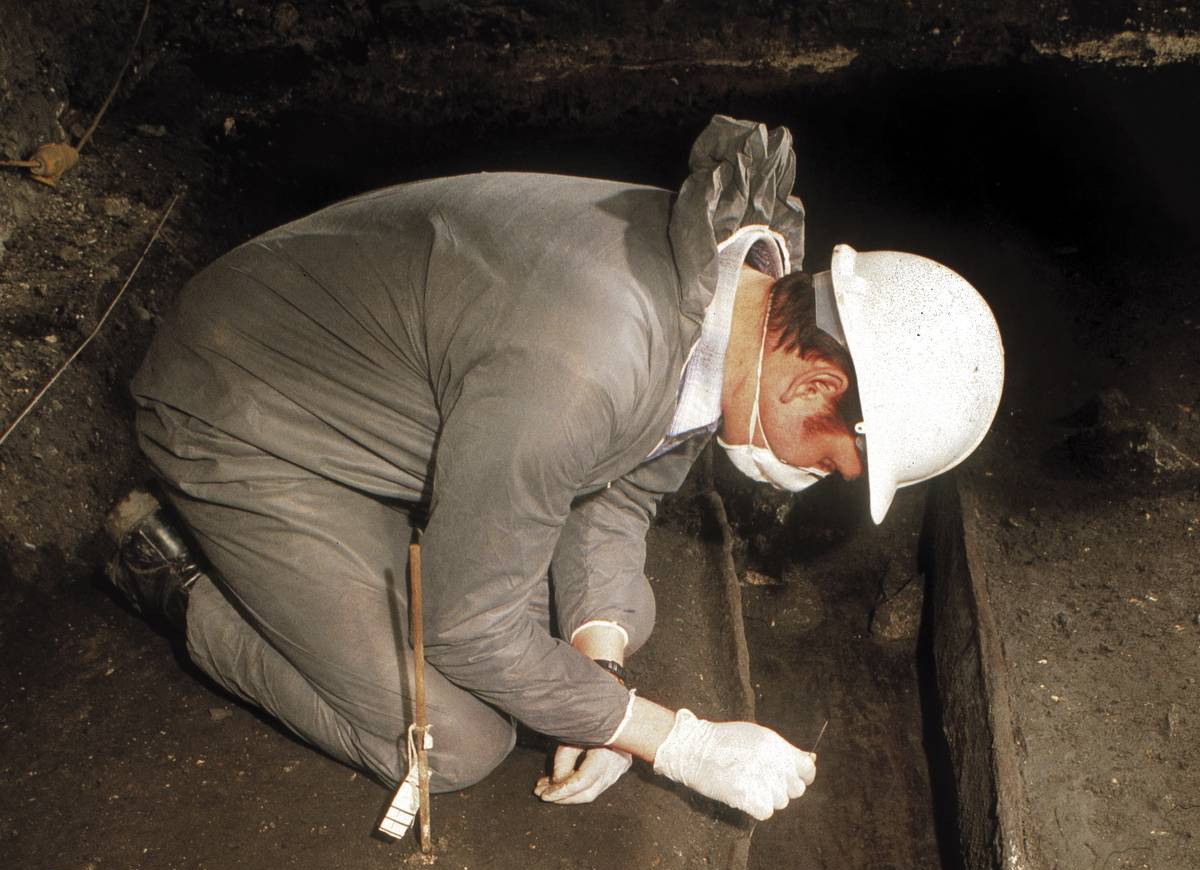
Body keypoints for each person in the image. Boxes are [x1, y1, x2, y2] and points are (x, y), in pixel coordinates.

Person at [107, 115, 1003, 825]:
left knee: (605, 623)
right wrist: (668, 740)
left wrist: (601, 677)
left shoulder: (729, 299)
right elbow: (464, 624)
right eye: (833, 463)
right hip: (240, 413)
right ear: (817, 380)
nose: (809, 481)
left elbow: (625, 485)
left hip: (366, 391)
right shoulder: (591, 359)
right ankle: (177, 574)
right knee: (457, 739)